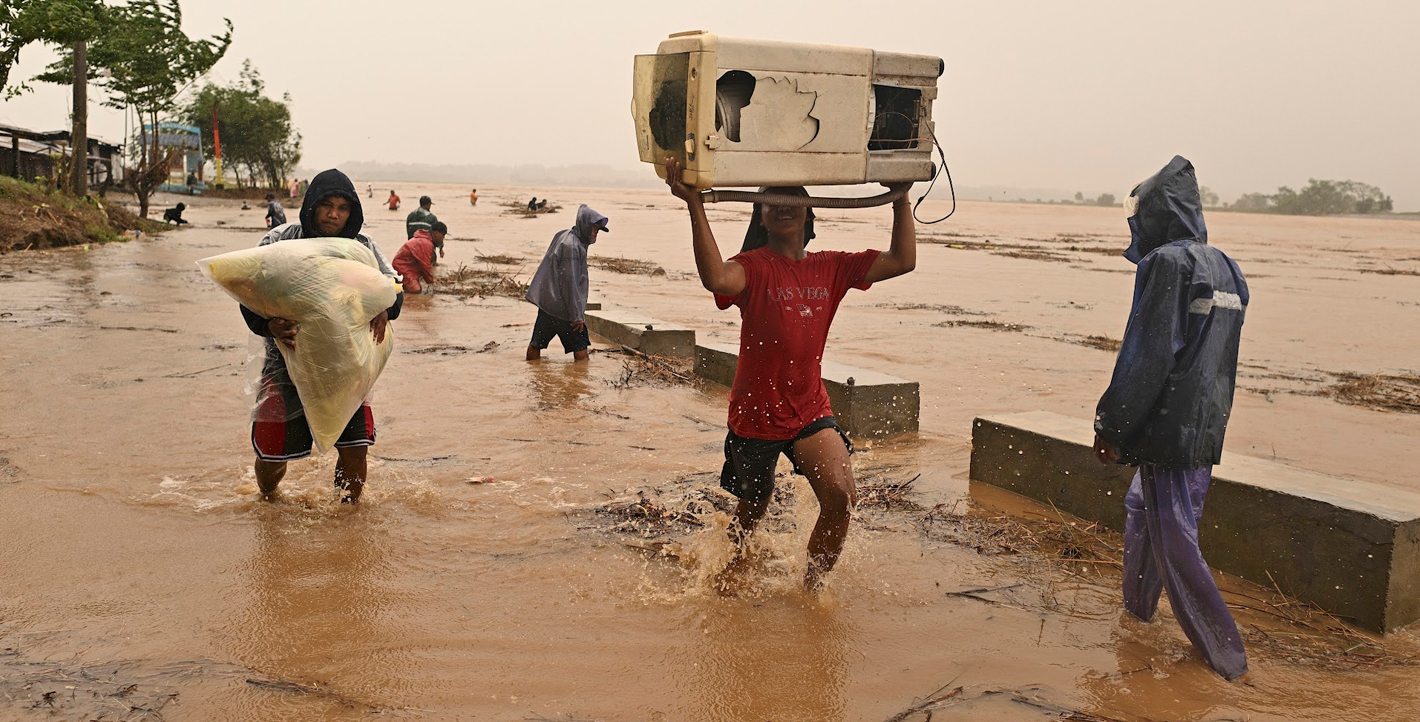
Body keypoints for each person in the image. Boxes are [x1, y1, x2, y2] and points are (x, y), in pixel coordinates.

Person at [663, 157, 916, 591]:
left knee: (841, 500)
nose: (783, 207)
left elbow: (902, 260)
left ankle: (811, 591)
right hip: (755, 417)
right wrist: (694, 205)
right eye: (773, 202)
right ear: (761, 216)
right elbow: (716, 278)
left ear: (809, 212)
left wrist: (900, 197)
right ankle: (728, 572)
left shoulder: (832, 266)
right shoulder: (754, 265)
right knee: (753, 508)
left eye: (792, 200)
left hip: (809, 410)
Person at [1091, 155, 1250, 681]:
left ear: (1157, 215)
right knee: (1143, 509)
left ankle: (1226, 659)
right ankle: (1136, 613)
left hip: (1168, 427)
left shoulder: (1167, 265)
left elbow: (1149, 353)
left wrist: (1111, 426)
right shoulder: (1226, 266)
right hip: (1206, 423)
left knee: (1174, 538)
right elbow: (1215, 357)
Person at [237, 168, 404, 504]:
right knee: (272, 458)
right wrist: (268, 326)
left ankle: (347, 521)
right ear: (311, 204)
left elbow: (394, 287)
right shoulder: (279, 241)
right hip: (285, 365)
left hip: (346, 367)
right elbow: (247, 289)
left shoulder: (362, 246)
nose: (334, 214)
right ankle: (268, 505)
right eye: (327, 205)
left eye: (343, 208)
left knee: (355, 450)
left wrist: (386, 304)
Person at [524, 205, 608, 362]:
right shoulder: (573, 247)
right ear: (586, 226)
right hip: (565, 309)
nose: (596, 234)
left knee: (536, 344)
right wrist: (577, 316)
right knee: (581, 348)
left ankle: (532, 376)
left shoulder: (563, 235)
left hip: (548, 304)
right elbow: (570, 283)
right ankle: (579, 384)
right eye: (595, 230)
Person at [392, 220, 447, 294]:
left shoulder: (424, 240)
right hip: (403, 268)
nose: (443, 238)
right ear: (436, 233)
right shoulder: (426, 243)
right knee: (415, 290)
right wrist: (431, 282)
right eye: (443, 235)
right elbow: (425, 267)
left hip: (406, 267)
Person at [405, 194, 442, 266]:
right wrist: (441, 247)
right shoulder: (432, 217)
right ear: (428, 205)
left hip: (412, 248)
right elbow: (437, 235)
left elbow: (408, 231)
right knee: (430, 268)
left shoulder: (410, 216)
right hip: (427, 250)